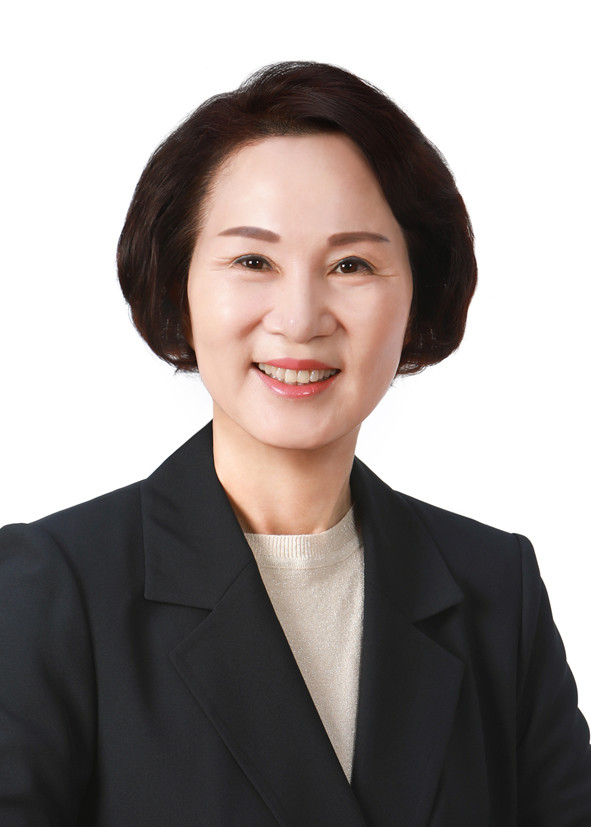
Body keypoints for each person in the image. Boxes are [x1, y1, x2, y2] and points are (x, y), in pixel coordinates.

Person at [1, 61, 589, 826]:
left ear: (416, 293)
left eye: (351, 264)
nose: (300, 317)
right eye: (253, 261)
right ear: (179, 283)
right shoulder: (51, 589)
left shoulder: (494, 589)